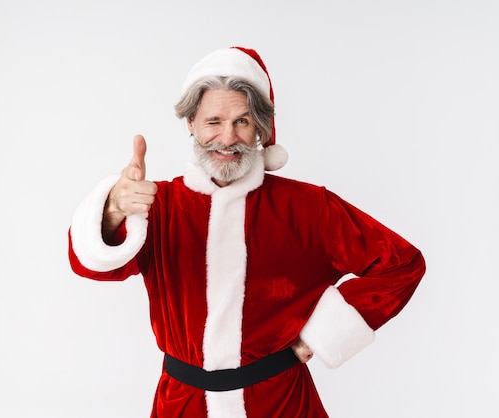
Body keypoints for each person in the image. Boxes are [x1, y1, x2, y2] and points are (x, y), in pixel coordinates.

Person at [68, 46, 426, 418]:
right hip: (183, 405)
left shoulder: (308, 207)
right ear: (191, 122)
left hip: (281, 403)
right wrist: (112, 211)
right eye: (213, 121)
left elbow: (402, 264)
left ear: (259, 127)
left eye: (241, 121)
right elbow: (92, 266)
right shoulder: (158, 205)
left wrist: (318, 337)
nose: (227, 138)